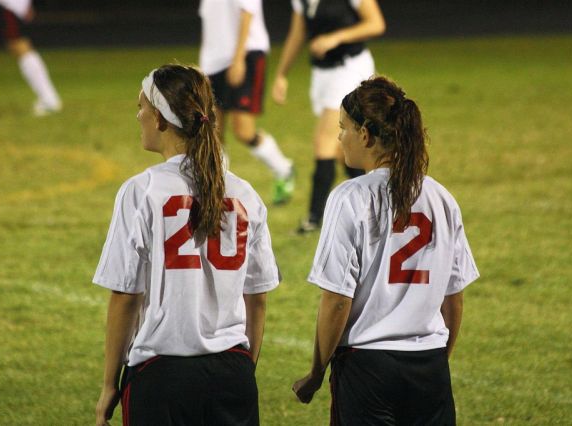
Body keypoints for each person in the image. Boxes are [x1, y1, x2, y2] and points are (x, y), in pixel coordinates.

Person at [93, 64, 280, 426]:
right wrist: (245, 368)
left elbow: (126, 296)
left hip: (162, 375)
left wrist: (108, 385)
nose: (138, 115)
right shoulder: (245, 193)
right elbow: (257, 298)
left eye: (142, 106)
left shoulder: (142, 190)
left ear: (161, 119)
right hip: (232, 372)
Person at [292, 76, 480, 425]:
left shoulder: (350, 196)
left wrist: (316, 373)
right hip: (429, 366)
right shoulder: (441, 197)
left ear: (365, 135)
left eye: (343, 128)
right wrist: (437, 361)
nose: (339, 138)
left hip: (367, 367)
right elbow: (453, 299)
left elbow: (337, 300)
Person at [271, 0, 385, 232]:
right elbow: (298, 33)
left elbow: (376, 23)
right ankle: (378, 206)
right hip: (322, 75)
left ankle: (313, 219)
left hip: (350, 69)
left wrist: (336, 37)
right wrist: (281, 74)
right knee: (342, 151)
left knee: (324, 141)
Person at [199, 0, 295, 205]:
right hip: (214, 63)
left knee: (243, 131)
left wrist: (238, 58)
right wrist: (205, 65)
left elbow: (247, 12)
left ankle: (283, 169)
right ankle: (218, 192)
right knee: (212, 131)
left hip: (245, 55)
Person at [0, 0, 61, 115]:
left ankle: (49, 99)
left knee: (18, 44)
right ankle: (49, 99)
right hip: (3, 4)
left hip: (7, 4)